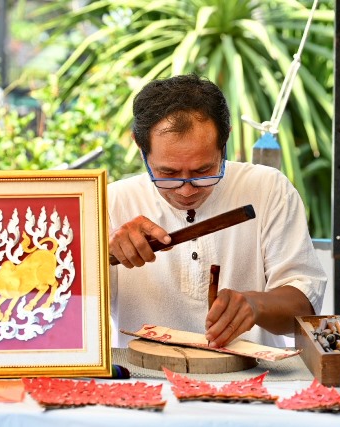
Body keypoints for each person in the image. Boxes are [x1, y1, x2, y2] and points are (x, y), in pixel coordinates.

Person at [108, 74, 327, 349]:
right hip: (140, 372)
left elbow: (304, 306)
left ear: (224, 144)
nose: (186, 190)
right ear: (141, 149)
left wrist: (255, 305)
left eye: (203, 171)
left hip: (253, 371)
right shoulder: (111, 203)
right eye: (168, 173)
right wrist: (100, 256)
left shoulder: (268, 189)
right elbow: (69, 308)